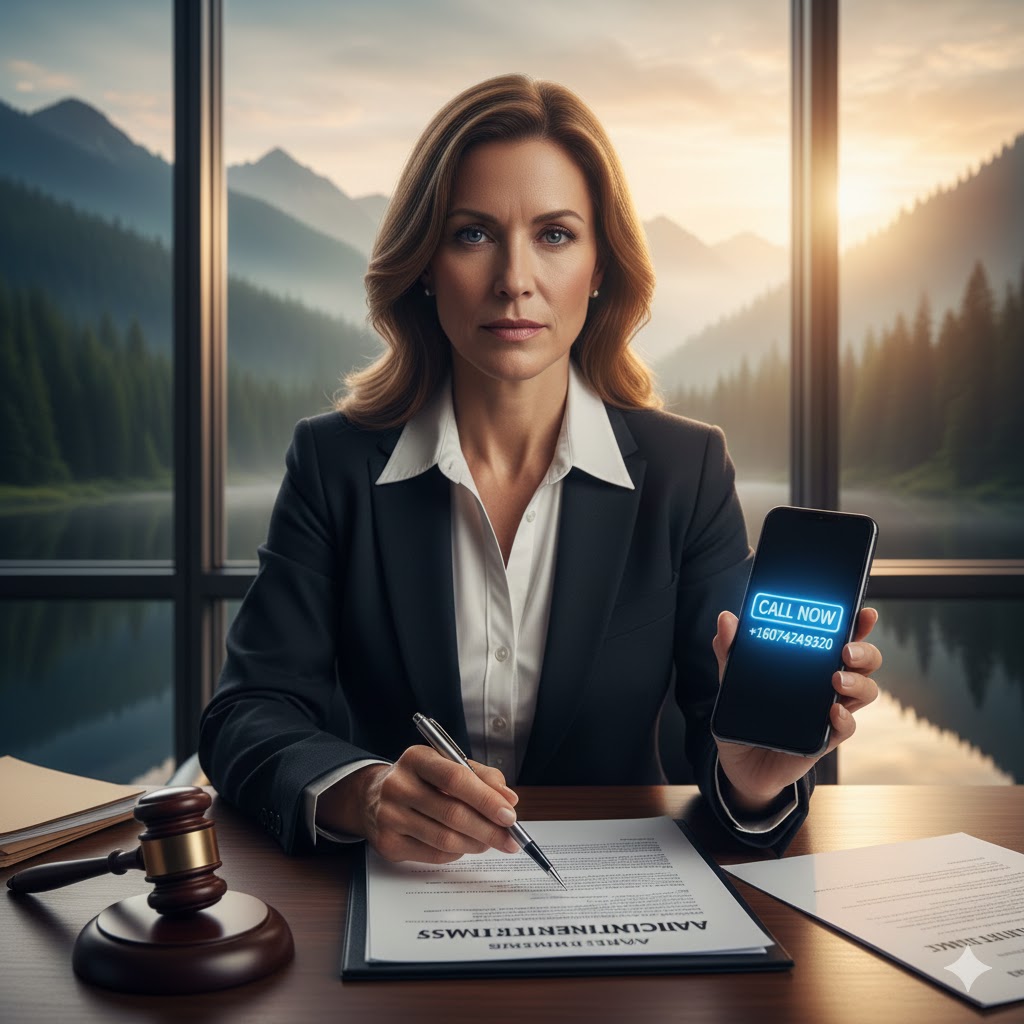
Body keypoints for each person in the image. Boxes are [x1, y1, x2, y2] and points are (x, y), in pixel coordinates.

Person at [198, 74, 881, 863]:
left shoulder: (685, 471)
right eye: (472, 234)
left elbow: (717, 733)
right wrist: (366, 792)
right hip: (394, 911)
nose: (514, 279)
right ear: (423, 263)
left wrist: (752, 779)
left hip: (621, 913)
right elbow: (247, 713)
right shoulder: (333, 464)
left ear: (600, 267)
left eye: (555, 234)